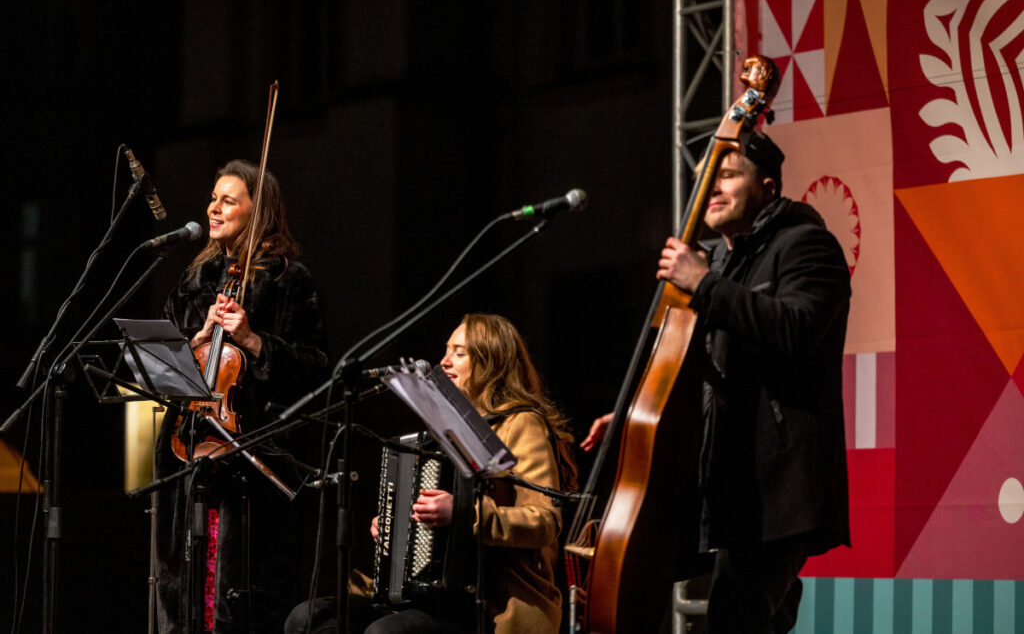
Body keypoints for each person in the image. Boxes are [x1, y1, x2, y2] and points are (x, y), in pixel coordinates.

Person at [581, 132, 850, 633]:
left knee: (736, 615)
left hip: (777, 482)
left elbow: (797, 330)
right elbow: (712, 373)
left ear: (767, 187)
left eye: (727, 175)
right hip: (732, 479)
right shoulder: (725, 263)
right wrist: (643, 412)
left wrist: (704, 285)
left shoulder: (807, 244)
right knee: (752, 613)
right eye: (706, 180)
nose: (712, 189)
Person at [286, 313, 578, 634]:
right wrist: (397, 526)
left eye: (459, 353)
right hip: (430, 596)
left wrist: (464, 514)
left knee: (385, 633)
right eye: (446, 350)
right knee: (308, 618)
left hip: (489, 600)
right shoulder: (448, 424)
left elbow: (544, 523)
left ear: (492, 361)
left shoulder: (521, 424)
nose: (444, 361)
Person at [154, 159, 330, 633]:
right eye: (213, 199)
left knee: (241, 601)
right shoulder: (196, 279)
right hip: (187, 453)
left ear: (258, 211)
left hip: (252, 465)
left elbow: (318, 370)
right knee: (182, 595)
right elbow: (162, 368)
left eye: (228, 201)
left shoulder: (288, 281)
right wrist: (196, 339)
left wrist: (253, 341)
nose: (213, 208)